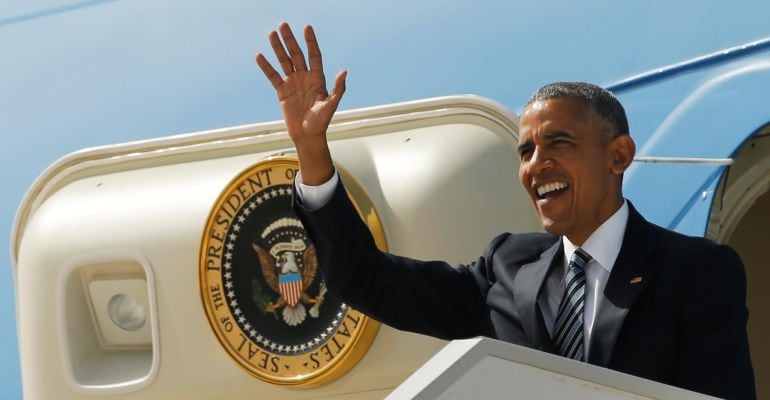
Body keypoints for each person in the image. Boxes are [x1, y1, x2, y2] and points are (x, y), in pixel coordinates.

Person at [256, 22, 755, 399]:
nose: (537, 165)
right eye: (525, 152)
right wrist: (312, 150)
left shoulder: (697, 272)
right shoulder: (507, 268)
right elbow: (365, 279)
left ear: (619, 155)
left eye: (557, 142)